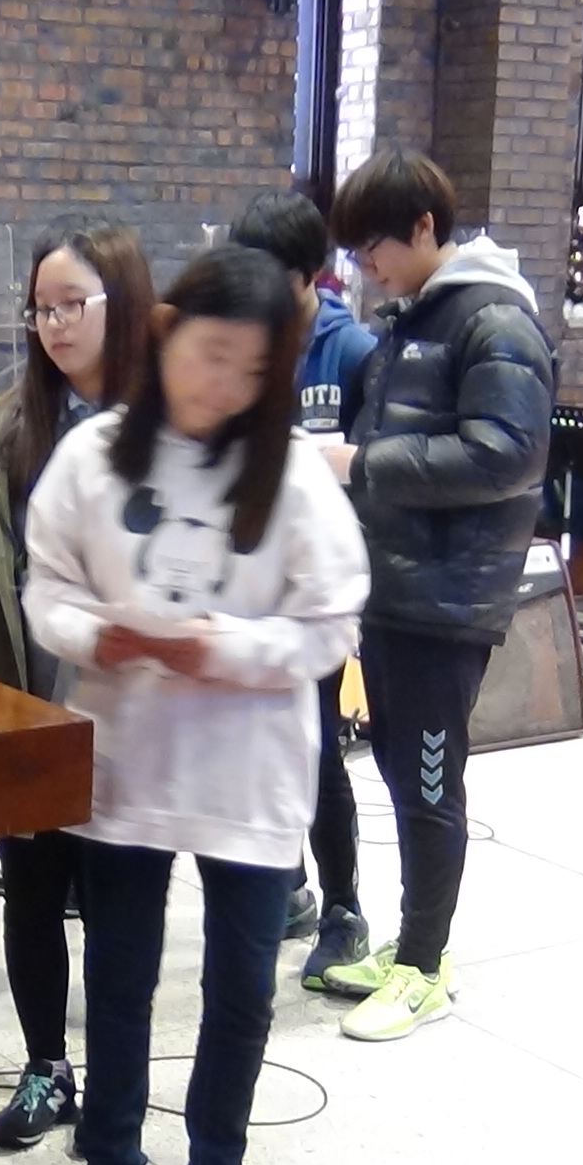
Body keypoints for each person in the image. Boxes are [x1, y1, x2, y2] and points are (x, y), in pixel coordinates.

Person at [22, 243, 368, 1165]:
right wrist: (102, 637)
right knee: (119, 976)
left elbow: (331, 626)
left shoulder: (293, 475)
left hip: (248, 773)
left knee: (242, 990)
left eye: (250, 370)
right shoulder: (95, 455)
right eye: (210, 356)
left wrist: (224, 647)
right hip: (130, 760)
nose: (223, 387)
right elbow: (47, 590)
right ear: (167, 334)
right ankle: (111, 1164)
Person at [317, 148, 557, 1042]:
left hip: (447, 599)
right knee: (396, 770)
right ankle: (413, 946)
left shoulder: (495, 321)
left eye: (374, 246)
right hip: (395, 587)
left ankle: (424, 967)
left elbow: (506, 456)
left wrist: (358, 462)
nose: (366, 266)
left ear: (424, 227)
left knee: (427, 781)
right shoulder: (414, 317)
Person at [0, 214, 156, 1151]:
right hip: (26, 706)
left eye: (73, 304)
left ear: (122, 303)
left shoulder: (171, 428)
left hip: (131, 723)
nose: (54, 325)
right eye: (41, 309)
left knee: (116, 913)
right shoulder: (1, 431)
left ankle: (116, 1083)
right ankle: (45, 1067)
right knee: (30, 894)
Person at [230, 188, 377, 986]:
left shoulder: (350, 352)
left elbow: (374, 474)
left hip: (319, 593)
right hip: (252, 584)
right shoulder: (241, 347)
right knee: (262, 745)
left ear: (306, 276)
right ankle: (288, 888)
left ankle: (345, 909)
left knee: (317, 749)